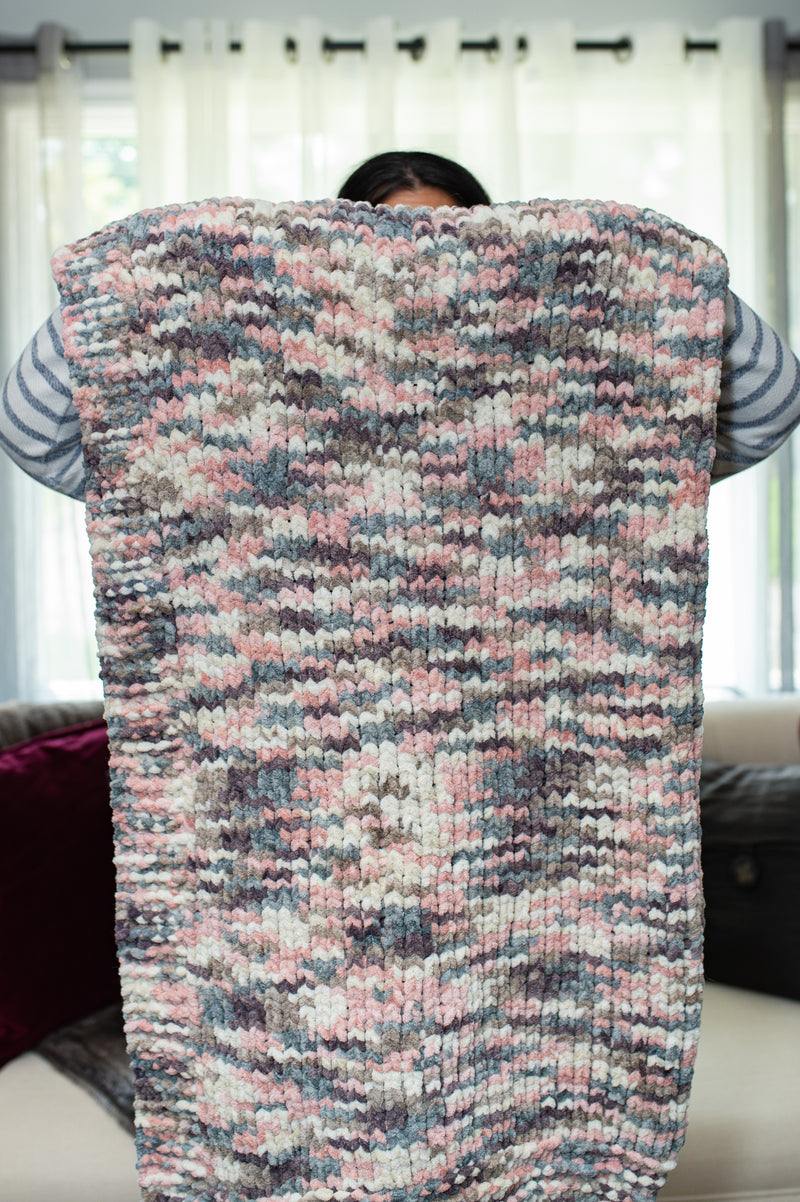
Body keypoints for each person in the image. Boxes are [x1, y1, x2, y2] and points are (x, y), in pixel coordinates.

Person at [2, 150, 798, 501]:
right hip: (290, 773)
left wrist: (670, 280)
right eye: (391, 247)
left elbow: (769, 404)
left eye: (447, 245)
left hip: (526, 769)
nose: (417, 273)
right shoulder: (259, 433)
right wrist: (117, 294)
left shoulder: (557, 431)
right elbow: (36, 433)